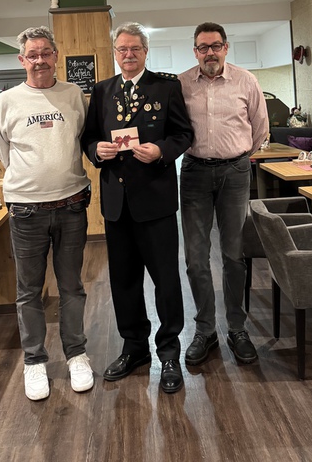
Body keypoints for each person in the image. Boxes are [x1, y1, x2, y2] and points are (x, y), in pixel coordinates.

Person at [82, 22, 193, 394]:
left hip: (156, 201)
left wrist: (161, 150)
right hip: (117, 204)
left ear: (145, 51)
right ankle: (134, 348)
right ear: (115, 52)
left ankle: (170, 352)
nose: (128, 54)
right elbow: (89, 138)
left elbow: (183, 134)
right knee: (124, 281)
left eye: (135, 48)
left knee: (166, 280)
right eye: (122, 49)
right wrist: (96, 151)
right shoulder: (102, 91)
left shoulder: (166, 87)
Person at [0, 25, 93, 400]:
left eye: (45, 53)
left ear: (56, 55)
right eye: (32, 55)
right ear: (22, 60)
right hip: (26, 211)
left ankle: (76, 354)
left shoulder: (73, 95)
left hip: (71, 205)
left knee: (72, 287)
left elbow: (81, 140)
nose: (39, 60)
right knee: (29, 292)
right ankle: (34, 361)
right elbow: (5, 152)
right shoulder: (7, 101)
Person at [178, 22, 269, 367]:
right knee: (196, 257)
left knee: (233, 254)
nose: (210, 53)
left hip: (235, 172)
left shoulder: (247, 81)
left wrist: (238, 156)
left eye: (216, 46)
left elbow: (260, 129)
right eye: (203, 47)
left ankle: (237, 328)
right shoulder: (181, 84)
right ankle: (205, 330)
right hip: (194, 173)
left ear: (226, 48)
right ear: (195, 52)